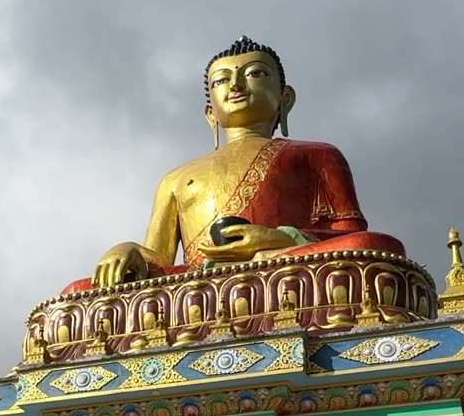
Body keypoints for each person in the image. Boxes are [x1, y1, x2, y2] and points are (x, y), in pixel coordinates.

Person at [74, 35, 404, 294]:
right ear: (209, 113)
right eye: (222, 80)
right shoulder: (175, 179)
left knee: (375, 249)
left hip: (282, 270)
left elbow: (349, 235)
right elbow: (158, 261)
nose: (236, 86)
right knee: (77, 292)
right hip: (196, 286)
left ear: (285, 97)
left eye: (255, 73)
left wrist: (279, 239)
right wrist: (127, 250)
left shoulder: (318, 154)